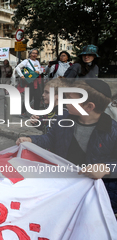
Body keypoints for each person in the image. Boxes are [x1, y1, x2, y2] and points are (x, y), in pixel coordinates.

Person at [16, 79, 117, 214]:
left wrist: (106, 168)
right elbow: (50, 139)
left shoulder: (113, 131)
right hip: (62, 187)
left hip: (94, 197)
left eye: (69, 99)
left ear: (89, 107)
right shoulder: (63, 118)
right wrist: (30, 140)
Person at [15, 48, 42, 113]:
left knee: (37, 97)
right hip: (30, 82)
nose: (34, 55)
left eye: (36, 53)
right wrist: (21, 75)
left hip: (37, 82)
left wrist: (39, 72)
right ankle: (23, 112)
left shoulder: (37, 62)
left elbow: (41, 70)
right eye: (33, 53)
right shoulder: (26, 61)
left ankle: (36, 112)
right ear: (30, 54)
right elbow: (17, 67)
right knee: (28, 98)